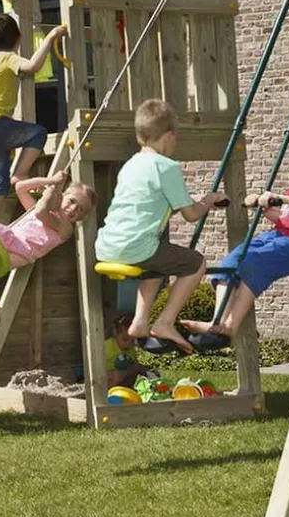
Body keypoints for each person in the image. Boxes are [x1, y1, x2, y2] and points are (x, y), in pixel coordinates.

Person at [182, 114, 289, 350]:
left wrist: (283, 197)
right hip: (276, 236)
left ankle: (231, 327)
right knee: (232, 261)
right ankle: (217, 321)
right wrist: (264, 206)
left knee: (254, 263)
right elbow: (284, 215)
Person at [94, 99, 226, 356]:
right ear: (169, 137)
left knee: (157, 262)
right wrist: (208, 201)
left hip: (108, 245)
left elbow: (150, 205)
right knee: (195, 262)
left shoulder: (131, 164)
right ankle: (165, 323)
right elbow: (191, 215)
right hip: (136, 247)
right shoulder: (167, 167)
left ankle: (140, 323)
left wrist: (189, 201)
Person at [0, 13, 70, 219]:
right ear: (19, 38)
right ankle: (21, 174)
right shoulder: (8, 58)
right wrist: (50, 37)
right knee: (37, 133)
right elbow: (32, 67)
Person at [104, 313, 147, 388]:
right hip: (108, 379)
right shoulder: (106, 346)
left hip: (125, 378)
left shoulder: (132, 349)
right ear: (115, 333)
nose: (128, 344)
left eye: (132, 341)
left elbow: (133, 363)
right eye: (125, 339)